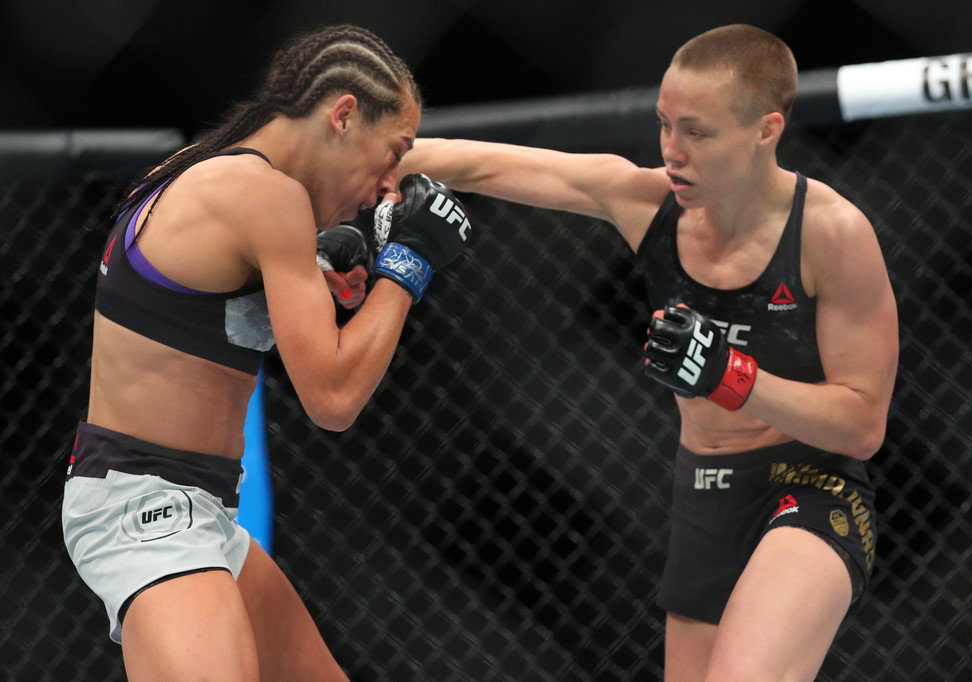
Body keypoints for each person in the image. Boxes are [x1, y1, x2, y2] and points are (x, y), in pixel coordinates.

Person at [399, 24, 897, 681]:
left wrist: (729, 374)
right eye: (665, 125)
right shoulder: (644, 203)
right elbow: (478, 163)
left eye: (698, 132)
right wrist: (342, 158)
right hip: (706, 496)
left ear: (765, 130)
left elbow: (863, 426)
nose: (673, 151)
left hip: (813, 490)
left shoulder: (832, 233)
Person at [62, 24, 472, 681]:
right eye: (392, 152)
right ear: (342, 115)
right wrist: (409, 263)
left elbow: (191, 320)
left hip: (188, 508)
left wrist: (313, 267)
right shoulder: (265, 196)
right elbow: (333, 399)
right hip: (151, 510)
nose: (388, 185)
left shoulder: (204, 172)